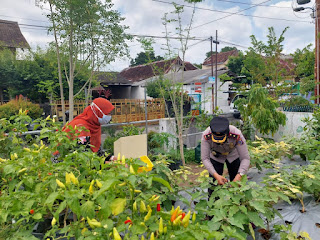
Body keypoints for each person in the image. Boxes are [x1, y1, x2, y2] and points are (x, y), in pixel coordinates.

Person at [201, 116, 250, 198]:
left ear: (227, 134)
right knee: (214, 184)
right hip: (216, 156)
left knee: (238, 184)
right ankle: (214, 207)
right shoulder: (206, 135)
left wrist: (239, 175)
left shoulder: (236, 134)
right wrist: (216, 175)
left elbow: (245, 158)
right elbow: (205, 158)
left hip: (233, 155)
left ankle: (238, 203)